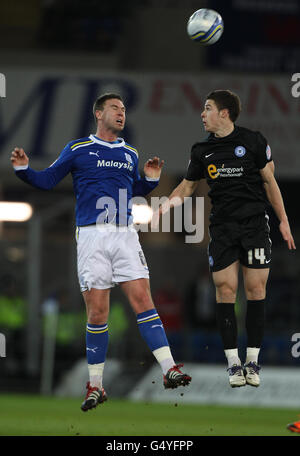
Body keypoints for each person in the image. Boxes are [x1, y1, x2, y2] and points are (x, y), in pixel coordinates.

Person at [10, 92, 191, 411]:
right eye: (115, 108)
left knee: (143, 300)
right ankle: (96, 386)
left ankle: (169, 369)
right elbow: (48, 179)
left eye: (124, 109)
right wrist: (24, 171)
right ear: (98, 114)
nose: (121, 113)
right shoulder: (78, 149)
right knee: (97, 312)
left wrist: (149, 181)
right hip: (92, 236)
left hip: (124, 234)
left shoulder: (130, 152)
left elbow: (132, 190)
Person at [157, 89, 296, 388]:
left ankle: (253, 361)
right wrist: (166, 205)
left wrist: (283, 221)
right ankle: (234, 363)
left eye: (207, 108)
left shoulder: (253, 141)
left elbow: (270, 182)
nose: (202, 114)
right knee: (225, 289)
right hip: (221, 228)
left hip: (255, 226)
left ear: (224, 113)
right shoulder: (201, 150)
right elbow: (186, 187)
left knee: (256, 289)